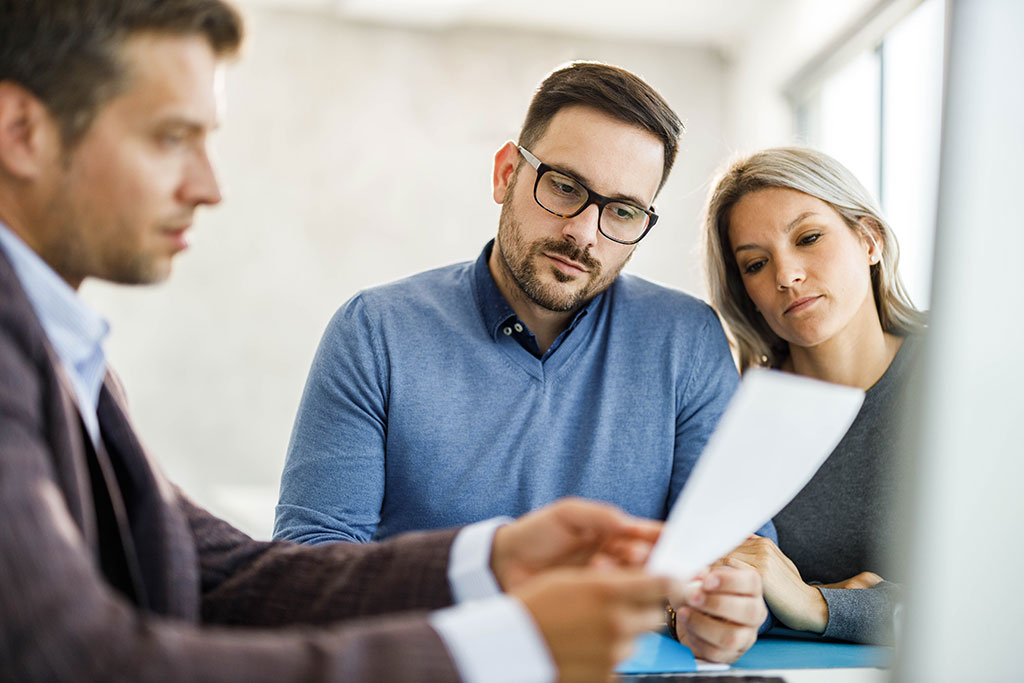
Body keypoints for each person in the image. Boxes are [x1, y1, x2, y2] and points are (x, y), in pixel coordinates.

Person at [0, 1, 769, 680]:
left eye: (622, 211)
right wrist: (504, 645)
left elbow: (217, 571)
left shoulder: (71, 355)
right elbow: (74, 658)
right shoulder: (377, 329)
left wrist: (496, 558)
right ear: (21, 133)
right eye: (172, 137)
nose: (210, 185)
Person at [275, 60, 772, 547]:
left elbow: (740, 552)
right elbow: (312, 555)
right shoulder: (375, 333)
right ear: (506, 173)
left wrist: (729, 603)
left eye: (622, 211)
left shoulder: (687, 342)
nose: (583, 233)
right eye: (563, 186)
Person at [699, 146, 927, 645]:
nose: (786, 276)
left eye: (808, 238)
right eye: (756, 264)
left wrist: (816, 604)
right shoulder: (733, 413)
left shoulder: (962, 378)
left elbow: (991, 593)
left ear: (869, 239)